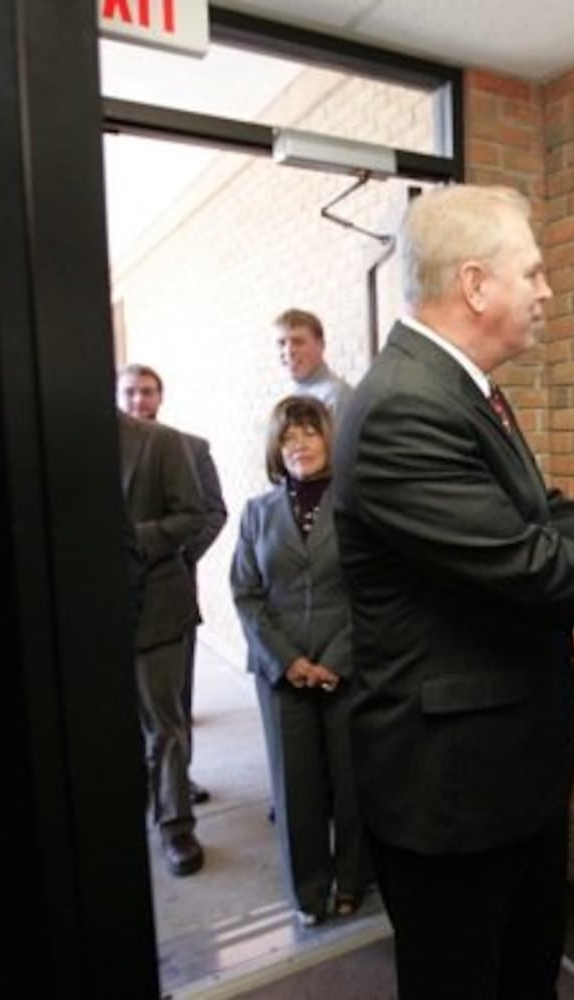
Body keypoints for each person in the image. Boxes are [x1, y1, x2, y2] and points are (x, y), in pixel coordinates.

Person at [331, 184, 574, 999]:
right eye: (533, 272)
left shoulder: (457, 387)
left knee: (525, 974)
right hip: (450, 790)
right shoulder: (402, 406)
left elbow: (538, 511)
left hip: (504, 774)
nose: (546, 291)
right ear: (476, 284)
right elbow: (513, 558)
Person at [230, 395, 371, 927]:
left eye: (309, 433)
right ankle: (308, 892)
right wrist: (288, 660)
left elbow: (371, 589)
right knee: (296, 789)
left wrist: (336, 657)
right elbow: (245, 592)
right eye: (289, 437)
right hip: (280, 673)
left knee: (352, 783)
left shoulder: (356, 508)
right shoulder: (256, 513)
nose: (299, 445)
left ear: (328, 439)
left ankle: (353, 880)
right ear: (276, 448)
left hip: (346, 667)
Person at [118, 363, 227, 804]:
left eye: (147, 392)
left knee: (172, 700)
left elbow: (212, 513)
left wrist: (179, 556)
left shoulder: (188, 447)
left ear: (160, 397)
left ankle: (178, 787)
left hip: (168, 585)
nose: (139, 401)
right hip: (122, 594)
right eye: (130, 393)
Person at [118, 410, 208, 877]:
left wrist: (134, 538)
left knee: (164, 722)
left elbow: (195, 514)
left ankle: (175, 825)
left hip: (155, 603)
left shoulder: (160, 442)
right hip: (84, 609)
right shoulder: (57, 448)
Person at [273, 308, 352, 415]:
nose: (288, 351)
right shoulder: (293, 393)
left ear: (321, 346)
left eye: (298, 342)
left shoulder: (336, 397)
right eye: (282, 343)